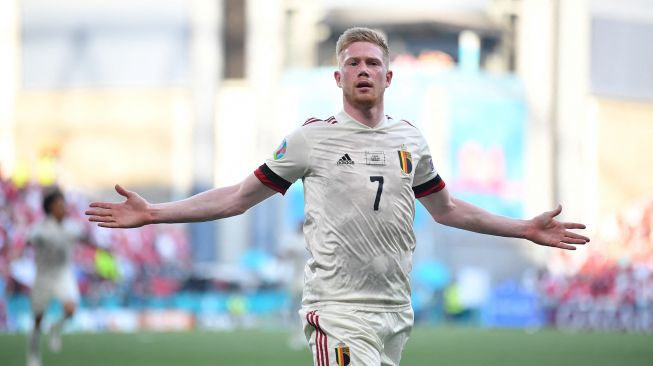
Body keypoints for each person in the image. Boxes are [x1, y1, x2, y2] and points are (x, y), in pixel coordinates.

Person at [85, 27, 590, 366]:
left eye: (373, 63)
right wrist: (154, 213)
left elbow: (449, 210)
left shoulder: (410, 141)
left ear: (389, 77)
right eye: (354, 63)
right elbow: (237, 198)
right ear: (339, 77)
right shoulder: (311, 139)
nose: (364, 70)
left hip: (394, 312)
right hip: (336, 310)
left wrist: (523, 227)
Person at [24, 188, 96, 366]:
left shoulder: (72, 226)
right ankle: (33, 353)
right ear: (49, 208)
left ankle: (56, 327)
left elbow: (85, 239)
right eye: (58, 204)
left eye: (63, 203)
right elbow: (29, 241)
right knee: (38, 319)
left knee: (71, 309)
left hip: (63, 273)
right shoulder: (40, 229)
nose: (62, 207)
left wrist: (104, 248)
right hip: (43, 276)